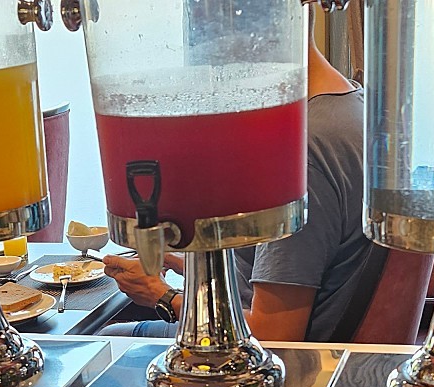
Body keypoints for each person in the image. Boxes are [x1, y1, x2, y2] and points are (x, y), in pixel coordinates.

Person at [100, 22, 372, 342]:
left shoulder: (300, 149)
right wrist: (186, 262)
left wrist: (163, 296)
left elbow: (274, 334)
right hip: (249, 315)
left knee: (108, 336)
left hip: (263, 354)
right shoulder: (351, 104)